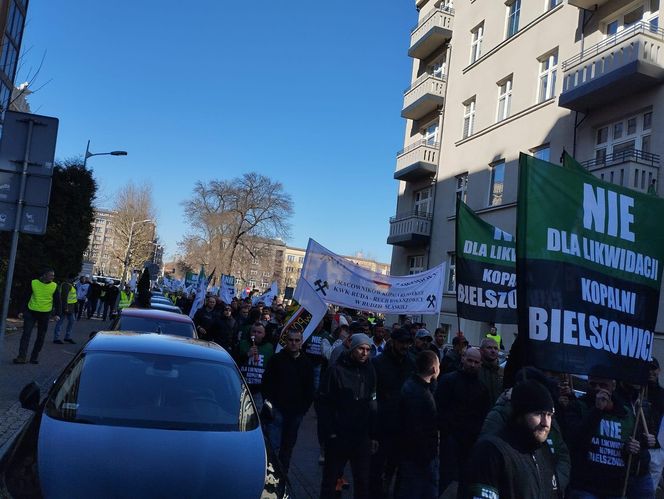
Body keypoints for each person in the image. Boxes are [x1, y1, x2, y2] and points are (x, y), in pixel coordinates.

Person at [564, 371, 654, 498]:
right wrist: (597, 410)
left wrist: (632, 448)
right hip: (584, 486)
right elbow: (575, 441)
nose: (597, 389)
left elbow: (634, 456)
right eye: (593, 384)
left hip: (614, 489)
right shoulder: (578, 407)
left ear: (613, 386)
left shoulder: (626, 413)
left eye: (603, 385)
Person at [466, 380, 561, 498]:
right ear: (520, 415)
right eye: (538, 414)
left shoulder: (544, 452)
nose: (545, 423)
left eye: (549, 415)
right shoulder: (491, 451)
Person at [319, 333, 377, 499]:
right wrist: (330, 432)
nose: (365, 352)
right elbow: (323, 403)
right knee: (331, 481)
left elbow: (373, 401)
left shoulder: (370, 370)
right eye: (361, 348)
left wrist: (373, 434)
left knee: (362, 482)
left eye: (368, 349)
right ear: (352, 349)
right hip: (339, 436)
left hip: (361, 437)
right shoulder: (336, 371)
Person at [435, 347, 490, 496]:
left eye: (476, 362)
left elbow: (483, 416)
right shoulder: (448, 380)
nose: (472, 365)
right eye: (470, 360)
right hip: (450, 439)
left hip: (470, 442)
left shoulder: (482, 389)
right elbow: (439, 409)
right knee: (445, 479)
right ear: (463, 359)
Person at [370, 328, 415, 499]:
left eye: (408, 343)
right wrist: (372, 431)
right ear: (394, 342)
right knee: (376, 467)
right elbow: (372, 396)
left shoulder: (411, 363)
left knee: (396, 467)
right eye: (402, 342)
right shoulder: (378, 363)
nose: (405, 346)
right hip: (382, 425)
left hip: (403, 426)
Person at [262, 330, 314, 473]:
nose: (293, 343)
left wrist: (303, 409)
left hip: (296, 412)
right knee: (273, 444)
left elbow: (310, 388)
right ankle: (269, 472)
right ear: (286, 341)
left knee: (288, 445)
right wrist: (269, 403)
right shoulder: (276, 359)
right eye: (291, 340)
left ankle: (283, 474)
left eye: (297, 340)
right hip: (277, 410)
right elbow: (266, 383)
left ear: (301, 342)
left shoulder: (306, 363)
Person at [396, 350, 440, 499]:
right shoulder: (421, 394)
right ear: (434, 369)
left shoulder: (413, 385)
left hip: (412, 454)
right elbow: (418, 428)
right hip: (419, 458)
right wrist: (428, 455)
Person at [14, 269, 60, 364]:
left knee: (41, 336)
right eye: (50, 275)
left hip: (45, 314)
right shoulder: (33, 283)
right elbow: (25, 297)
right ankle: (22, 357)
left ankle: (34, 357)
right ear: (44, 275)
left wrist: (57, 314)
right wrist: (21, 311)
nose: (53, 277)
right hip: (31, 312)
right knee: (26, 334)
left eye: (53, 275)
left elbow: (57, 301)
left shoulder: (54, 286)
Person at [237, 323, 274, 412]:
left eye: (259, 332)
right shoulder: (242, 344)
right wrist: (247, 355)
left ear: (264, 334)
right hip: (242, 387)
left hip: (259, 390)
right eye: (254, 331)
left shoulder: (269, 347)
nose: (256, 334)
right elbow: (235, 362)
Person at [646, 358, 664, 490]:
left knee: (650, 490)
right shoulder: (638, 391)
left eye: (653, 368)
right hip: (637, 446)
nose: (651, 371)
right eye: (648, 368)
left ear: (659, 370)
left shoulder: (663, 394)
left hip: (657, 449)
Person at [52, 273, 78, 344]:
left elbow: (73, 297)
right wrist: (65, 307)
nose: (74, 280)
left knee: (72, 321)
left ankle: (67, 337)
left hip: (70, 307)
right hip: (65, 307)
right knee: (60, 322)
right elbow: (64, 297)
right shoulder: (66, 285)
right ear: (70, 279)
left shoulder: (70, 285)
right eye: (73, 279)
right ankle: (56, 338)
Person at [478, 337, 503, 403]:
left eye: (495, 348)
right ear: (481, 350)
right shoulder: (475, 369)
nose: (493, 351)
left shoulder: (502, 372)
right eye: (489, 348)